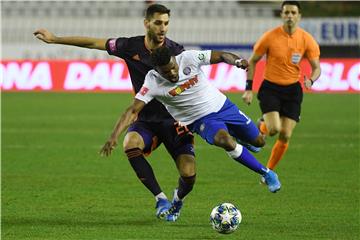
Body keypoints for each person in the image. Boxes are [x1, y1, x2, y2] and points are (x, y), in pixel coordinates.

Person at [34, 4, 196, 222]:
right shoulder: (130, 46)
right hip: (146, 119)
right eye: (158, 23)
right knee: (130, 143)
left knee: (188, 174)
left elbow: (195, 86)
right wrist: (55, 39)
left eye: (166, 23)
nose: (163, 28)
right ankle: (161, 199)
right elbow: (93, 43)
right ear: (146, 23)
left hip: (174, 120)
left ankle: (177, 199)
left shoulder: (176, 51)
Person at [100, 47, 282, 220]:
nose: (171, 73)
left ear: (175, 60)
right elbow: (133, 110)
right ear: (157, 70)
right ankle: (266, 173)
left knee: (259, 141)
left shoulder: (189, 58)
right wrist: (114, 136)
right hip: (200, 120)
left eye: (173, 68)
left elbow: (222, 55)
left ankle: (247, 141)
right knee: (224, 141)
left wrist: (237, 61)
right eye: (166, 72)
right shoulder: (153, 80)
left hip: (224, 107)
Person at [241, 1, 321, 178]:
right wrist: (248, 89)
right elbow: (253, 61)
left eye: (293, 12)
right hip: (271, 88)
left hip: (293, 90)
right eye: (286, 12)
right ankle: (263, 124)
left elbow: (317, 67)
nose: (290, 16)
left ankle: (268, 171)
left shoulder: (307, 39)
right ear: (282, 15)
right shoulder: (269, 37)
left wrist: (312, 81)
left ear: (299, 16)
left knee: (285, 135)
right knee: (274, 129)